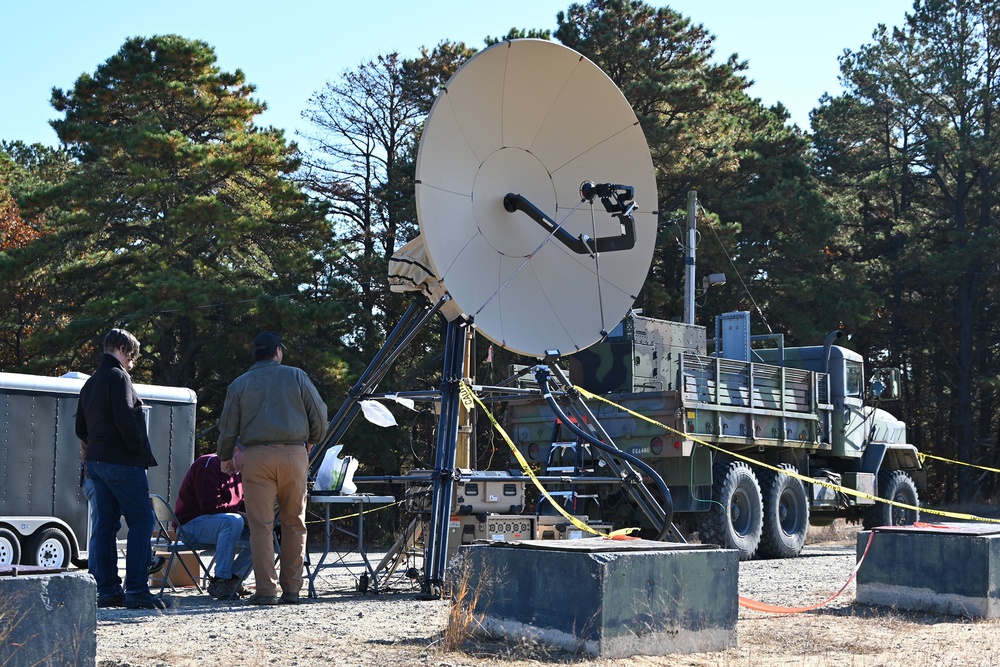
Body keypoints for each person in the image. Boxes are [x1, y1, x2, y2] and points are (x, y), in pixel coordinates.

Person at [216, 331, 327, 605]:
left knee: (261, 526)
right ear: (278, 351)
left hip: (256, 457)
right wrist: (311, 441)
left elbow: (228, 426)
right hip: (294, 454)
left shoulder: (240, 384)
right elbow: (320, 415)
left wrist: (225, 456)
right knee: (295, 524)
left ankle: (266, 591)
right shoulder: (297, 376)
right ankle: (292, 589)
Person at [76, 328, 169, 610]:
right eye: (133, 356)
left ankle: (107, 590)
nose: (133, 362)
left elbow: (80, 428)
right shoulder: (119, 377)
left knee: (104, 526)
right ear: (122, 349)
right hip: (121, 461)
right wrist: (138, 451)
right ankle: (138, 589)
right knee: (142, 521)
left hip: (96, 463)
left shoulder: (90, 383)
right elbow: (127, 418)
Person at [173, 444, 253, 599]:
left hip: (219, 523)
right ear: (235, 450)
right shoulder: (208, 463)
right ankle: (221, 578)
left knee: (263, 533)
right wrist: (244, 517)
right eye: (248, 457)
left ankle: (233, 580)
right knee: (233, 521)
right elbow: (209, 504)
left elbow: (241, 505)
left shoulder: (238, 474)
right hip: (189, 525)